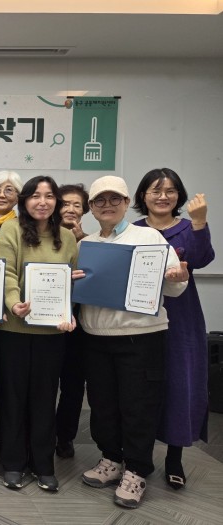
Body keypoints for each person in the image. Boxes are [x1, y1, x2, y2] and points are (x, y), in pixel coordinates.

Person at [75, 175, 188, 509]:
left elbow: (173, 288)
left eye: (115, 199)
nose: (107, 205)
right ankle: (111, 459)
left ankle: (137, 470)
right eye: (100, 200)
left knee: (139, 406)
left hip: (142, 337)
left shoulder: (149, 237)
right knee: (102, 404)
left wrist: (177, 277)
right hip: (96, 337)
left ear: (126, 203)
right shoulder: (85, 245)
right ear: (91, 207)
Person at [0, 176, 78, 492]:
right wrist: (14, 304)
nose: (42, 202)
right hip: (14, 330)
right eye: (35, 196)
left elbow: (71, 282)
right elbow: (6, 272)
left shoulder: (67, 237)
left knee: (45, 399)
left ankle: (43, 464)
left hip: (52, 333)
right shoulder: (11, 230)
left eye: (49, 196)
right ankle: (13, 463)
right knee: (13, 398)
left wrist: (68, 311)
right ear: (24, 201)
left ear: (56, 201)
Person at [133, 168, 214, 490]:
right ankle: (136, 456)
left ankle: (174, 458)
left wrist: (200, 222)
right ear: (143, 196)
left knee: (180, 385)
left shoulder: (187, 228)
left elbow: (201, 258)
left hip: (181, 318)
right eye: (155, 190)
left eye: (169, 191)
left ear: (179, 195)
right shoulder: (134, 230)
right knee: (139, 387)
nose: (162, 196)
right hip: (139, 318)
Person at [54, 183, 90, 459]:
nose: (70, 209)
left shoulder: (91, 242)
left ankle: (65, 436)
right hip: (45, 323)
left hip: (79, 325)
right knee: (43, 384)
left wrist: (81, 244)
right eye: (65, 203)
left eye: (77, 205)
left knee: (73, 385)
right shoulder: (44, 236)